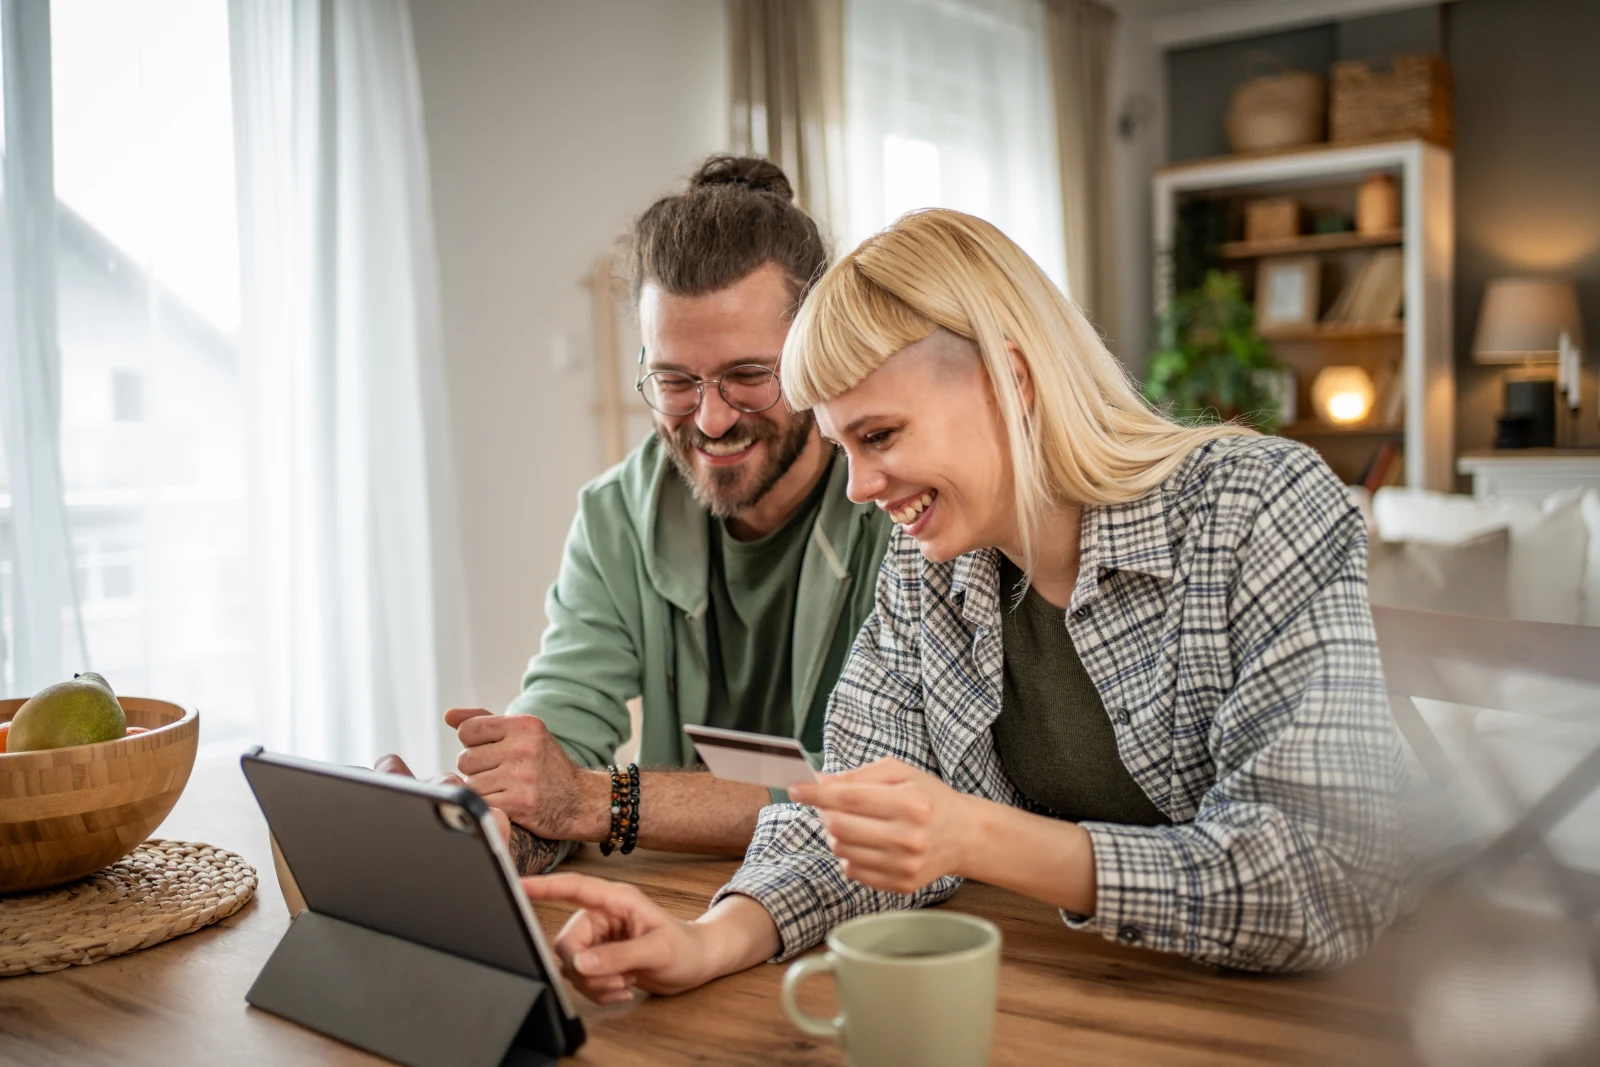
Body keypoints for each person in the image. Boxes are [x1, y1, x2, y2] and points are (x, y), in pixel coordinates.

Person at [518, 208, 1410, 997]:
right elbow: (840, 814)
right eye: (842, 444)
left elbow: (1325, 877)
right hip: (1103, 996)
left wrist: (977, 836)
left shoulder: (1255, 506)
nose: (859, 486)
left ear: (1013, 381)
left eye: (880, 436)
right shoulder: (928, 570)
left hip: (1360, 1006)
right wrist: (705, 941)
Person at [378, 156, 892, 875]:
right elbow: (563, 721)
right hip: (685, 909)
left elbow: (881, 790)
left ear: (817, 354)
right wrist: (494, 816)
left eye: (748, 376)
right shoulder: (617, 513)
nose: (711, 420)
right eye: (674, 381)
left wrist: (598, 800)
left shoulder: (896, 508)